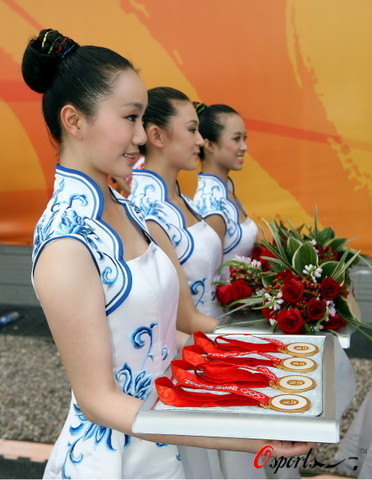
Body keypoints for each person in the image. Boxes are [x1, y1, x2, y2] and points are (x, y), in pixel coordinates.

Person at [22, 28, 315, 479]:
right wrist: (252, 434)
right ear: (74, 121)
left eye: (142, 120)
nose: (141, 137)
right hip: (120, 461)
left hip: (173, 433)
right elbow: (100, 401)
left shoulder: (124, 208)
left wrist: (268, 364)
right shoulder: (66, 242)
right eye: (130, 117)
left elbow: (166, 338)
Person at [129, 87, 223, 319]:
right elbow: (183, 319)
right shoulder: (147, 213)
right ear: (157, 136)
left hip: (214, 332)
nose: (200, 141)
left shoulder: (183, 200)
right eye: (192, 130)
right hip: (189, 348)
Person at [193, 103, 259, 281]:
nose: (244, 146)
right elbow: (208, 278)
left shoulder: (226, 192)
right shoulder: (209, 204)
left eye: (244, 138)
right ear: (209, 145)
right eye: (236, 139)